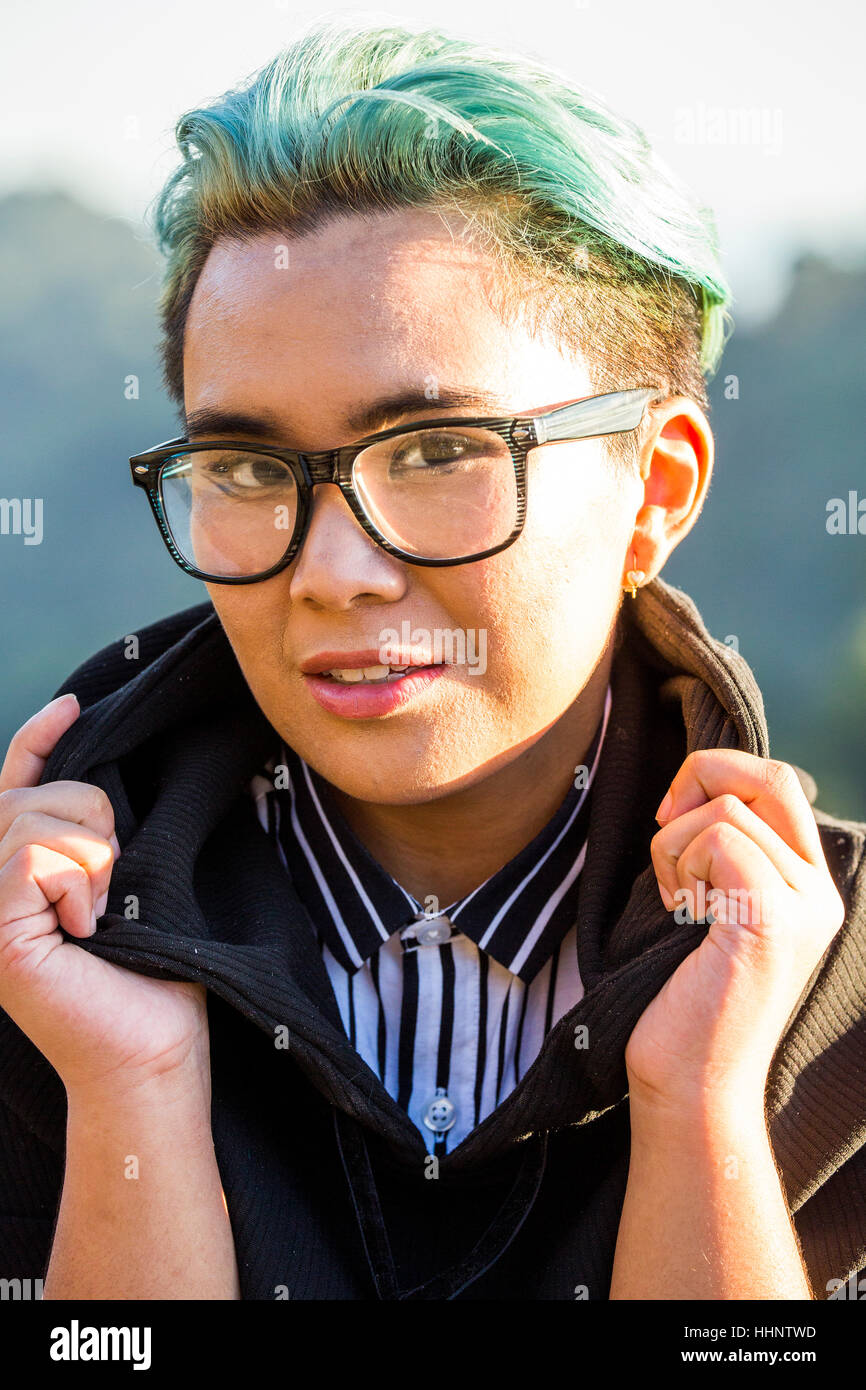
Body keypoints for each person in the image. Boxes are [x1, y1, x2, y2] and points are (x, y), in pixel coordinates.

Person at [0, 16, 863, 1302]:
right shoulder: (37, 980)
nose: (332, 571)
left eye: (440, 451)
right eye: (244, 466)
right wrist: (132, 1092)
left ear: (654, 487)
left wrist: (701, 1113)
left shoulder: (837, 999)